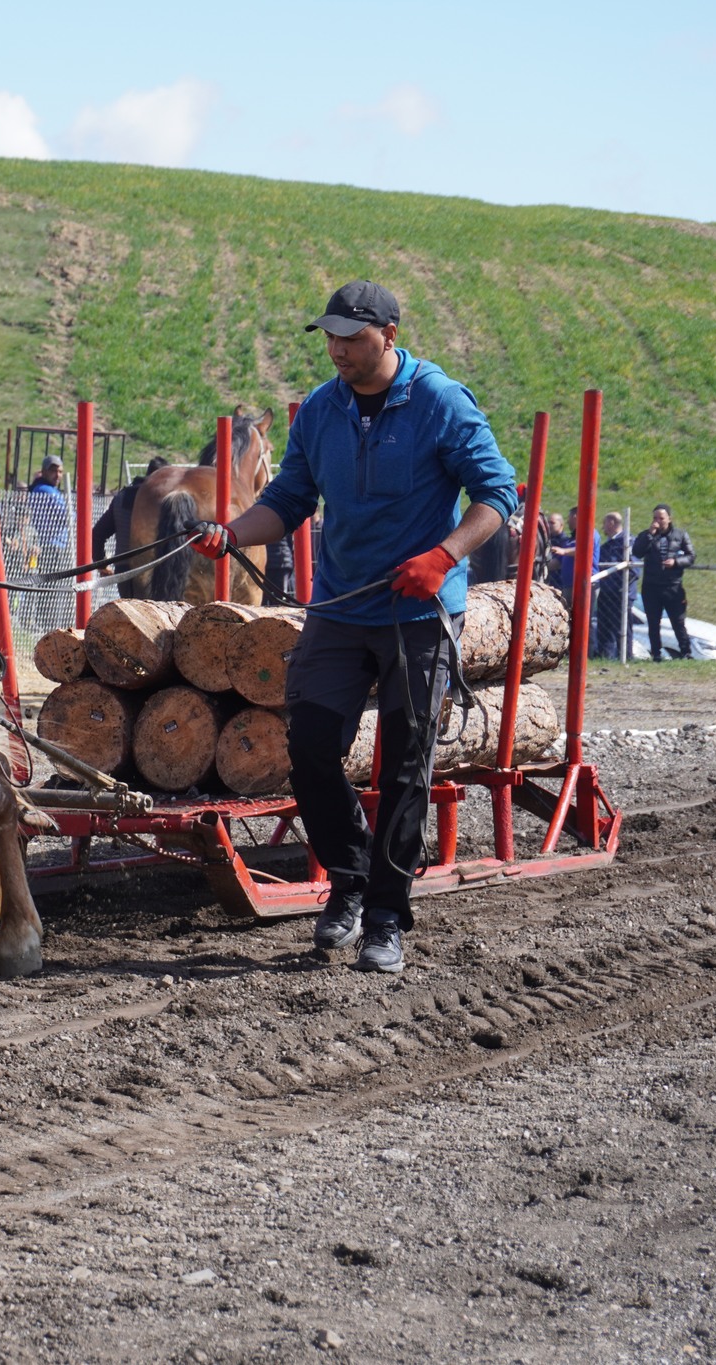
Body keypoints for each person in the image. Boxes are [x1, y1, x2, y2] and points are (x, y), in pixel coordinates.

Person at [196, 280, 516, 975]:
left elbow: (498, 494)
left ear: (390, 334)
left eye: (352, 336)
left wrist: (444, 556)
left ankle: (385, 917)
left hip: (419, 612)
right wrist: (228, 534)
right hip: (341, 607)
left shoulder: (440, 402)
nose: (338, 348)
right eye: (331, 336)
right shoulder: (319, 409)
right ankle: (349, 875)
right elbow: (288, 500)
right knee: (309, 745)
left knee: (404, 766)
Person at [632, 503, 694, 660]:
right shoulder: (647, 535)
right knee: (653, 622)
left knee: (678, 622)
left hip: (673, 586)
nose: (657, 521)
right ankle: (656, 654)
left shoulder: (680, 535)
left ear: (669, 518)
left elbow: (691, 556)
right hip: (651, 586)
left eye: (661, 518)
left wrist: (676, 562)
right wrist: (649, 534)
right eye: (655, 518)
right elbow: (637, 552)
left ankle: (686, 652)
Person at [89, 455, 171, 561]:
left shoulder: (122, 497)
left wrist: (101, 563)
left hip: (123, 571)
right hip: (154, 571)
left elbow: (97, 535)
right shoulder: (166, 502)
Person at [26, 453, 74, 630]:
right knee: (53, 586)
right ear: (45, 471)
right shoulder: (47, 491)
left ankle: (43, 621)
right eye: (53, 471)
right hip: (54, 545)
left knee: (48, 584)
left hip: (51, 543)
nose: (58, 475)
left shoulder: (38, 489)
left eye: (60, 471)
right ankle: (47, 623)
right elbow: (68, 515)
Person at [592, 511, 632, 658]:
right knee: (604, 627)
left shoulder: (626, 543)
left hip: (621, 592)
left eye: (605, 523)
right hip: (606, 592)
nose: (603, 527)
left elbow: (632, 571)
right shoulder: (607, 545)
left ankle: (626, 656)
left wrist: (619, 586)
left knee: (622, 628)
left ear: (612, 523)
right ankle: (604, 656)